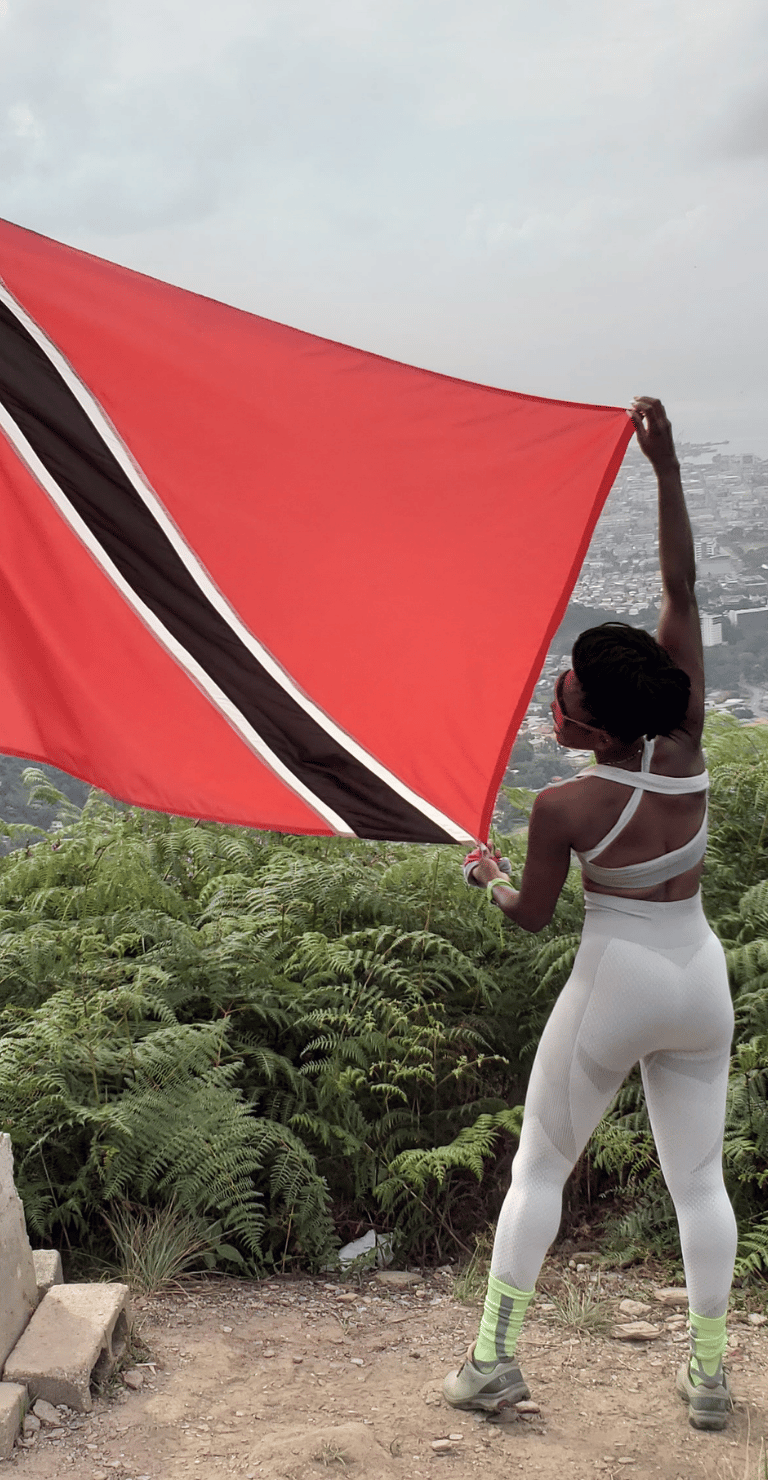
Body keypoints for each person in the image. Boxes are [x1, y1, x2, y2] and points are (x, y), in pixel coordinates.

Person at [443, 397, 736, 1432]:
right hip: (701, 979)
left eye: (562, 693)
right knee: (698, 1181)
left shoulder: (564, 805)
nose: (551, 698)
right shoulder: (689, 737)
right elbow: (681, 586)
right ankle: (708, 1376)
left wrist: (482, 876)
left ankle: (490, 1359)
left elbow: (528, 919)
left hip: (614, 984)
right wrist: (661, 471)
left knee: (539, 1167)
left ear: (589, 724)